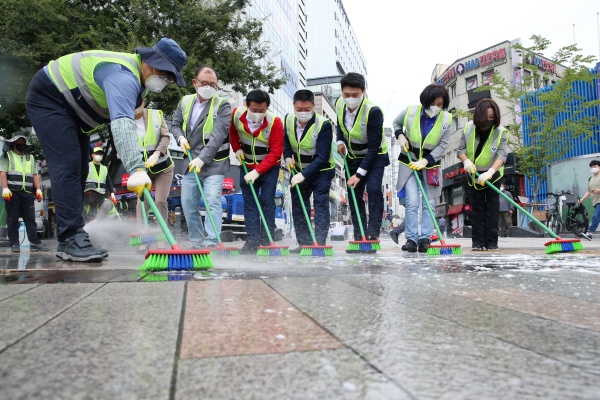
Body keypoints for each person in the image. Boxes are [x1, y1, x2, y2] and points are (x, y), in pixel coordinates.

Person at [25, 38, 186, 262]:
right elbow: (122, 125)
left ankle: (70, 238)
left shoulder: (138, 84)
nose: (165, 80)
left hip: (72, 111)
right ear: (149, 60)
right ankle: (71, 238)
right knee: (68, 165)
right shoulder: (123, 77)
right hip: (49, 98)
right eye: (164, 72)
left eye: (170, 78)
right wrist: (137, 168)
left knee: (80, 169)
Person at [172, 66, 231, 249]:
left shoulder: (223, 105)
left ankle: (212, 242)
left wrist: (202, 159)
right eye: (204, 83)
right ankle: (197, 244)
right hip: (191, 162)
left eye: (213, 84)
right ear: (195, 83)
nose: (209, 87)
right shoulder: (185, 102)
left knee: (212, 201)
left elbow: (217, 137)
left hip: (214, 164)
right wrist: (180, 138)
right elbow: (175, 125)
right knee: (188, 204)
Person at [393, 84, 452, 253]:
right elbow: (396, 123)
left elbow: (443, 145)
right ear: (426, 101)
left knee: (429, 202)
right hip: (409, 162)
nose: (436, 107)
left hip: (430, 165)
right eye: (433, 103)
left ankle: (425, 238)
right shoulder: (410, 111)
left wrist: (426, 161)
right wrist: (400, 135)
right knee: (412, 201)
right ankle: (411, 239)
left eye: (440, 104)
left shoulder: (446, 119)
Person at [335, 72, 389, 254]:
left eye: (355, 95)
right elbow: (340, 125)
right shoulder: (339, 104)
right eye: (347, 94)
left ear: (364, 92)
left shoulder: (373, 112)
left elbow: (374, 148)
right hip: (352, 156)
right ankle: (360, 239)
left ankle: (372, 236)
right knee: (353, 195)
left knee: (373, 190)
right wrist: (340, 141)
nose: (350, 99)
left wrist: (359, 174)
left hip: (375, 156)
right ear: (342, 92)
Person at [229, 89, 284, 254]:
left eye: (262, 110)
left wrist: (258, 171)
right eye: (254, 110)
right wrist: (237, 149)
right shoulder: (236, 115)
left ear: (267, 108)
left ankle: (266, 240)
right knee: (250, 202)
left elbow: (276, 152)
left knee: (267, 201)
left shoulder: (275, 122)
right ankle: (252, 241)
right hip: (246, 165)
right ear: (247, 105)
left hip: (270, 167)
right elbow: (233, 133)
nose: (258, 114)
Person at [283, 89, 335, 253]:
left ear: (313, 107)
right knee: (299, 206)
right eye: (299, 109)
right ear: (294, 106)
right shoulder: (288, 119)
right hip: (298, 168)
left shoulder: (323, 125)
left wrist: (303, 175)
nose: (303, 112)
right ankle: (304, 244)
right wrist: (287, 156)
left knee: (320, 204)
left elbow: (322, 157)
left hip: (322, 170)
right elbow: (286, 141)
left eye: (307, 109)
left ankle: (319, 244)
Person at [457, 98, 508, 251]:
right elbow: (461, 150)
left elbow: (502, 155)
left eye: (492, 117)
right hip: (474, 173)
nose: (488, 121)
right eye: (486, 117)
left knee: (492, 208)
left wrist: (491, 172)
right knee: (477, 208)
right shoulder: (468, 128)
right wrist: (466, 161)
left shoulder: (501, 132)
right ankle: (477, 243)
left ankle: (492, 243)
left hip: (493, 173)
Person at [0, 133, 50, 253]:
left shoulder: (30, 158)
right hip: (12, 193)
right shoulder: (7, 156)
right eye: (19, 143)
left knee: (30, 218)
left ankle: (35, 242)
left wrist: (38, 189)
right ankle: (14, 243)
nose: (21, 145)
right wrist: (5, 188)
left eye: (23, 143)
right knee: (12, 219)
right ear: (13, 144)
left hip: (27, 193)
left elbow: (35, 175)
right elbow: (2, 172)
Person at [134, 99, 175, 225]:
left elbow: (166, 137)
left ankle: (162, 232)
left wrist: (157, 153)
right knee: (142, 201)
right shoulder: (126, 122)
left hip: (163, 167)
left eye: (137, 103)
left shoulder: (155, 115)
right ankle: (141, 232)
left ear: (143, 102)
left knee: (160, 201)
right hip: (143, 171)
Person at [83, 146, 117, 222]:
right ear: (92, 155)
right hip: (89, 193)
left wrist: (112, 192)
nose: (99, 155)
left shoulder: (104, 168)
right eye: (97, 154)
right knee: (89, 209)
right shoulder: (87, 166)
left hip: (101, 194)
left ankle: (97, 221)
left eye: (100, 154)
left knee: (101, 209)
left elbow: (108, 181)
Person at [578, 160, 600, 240]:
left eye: (595, 166)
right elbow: (588, 191)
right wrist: (582, 199)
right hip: (595, 201)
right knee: (597, 216)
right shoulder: (591, 179)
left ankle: (589, 233)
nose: (593, 168)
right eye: (592, 167)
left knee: (596, 216)